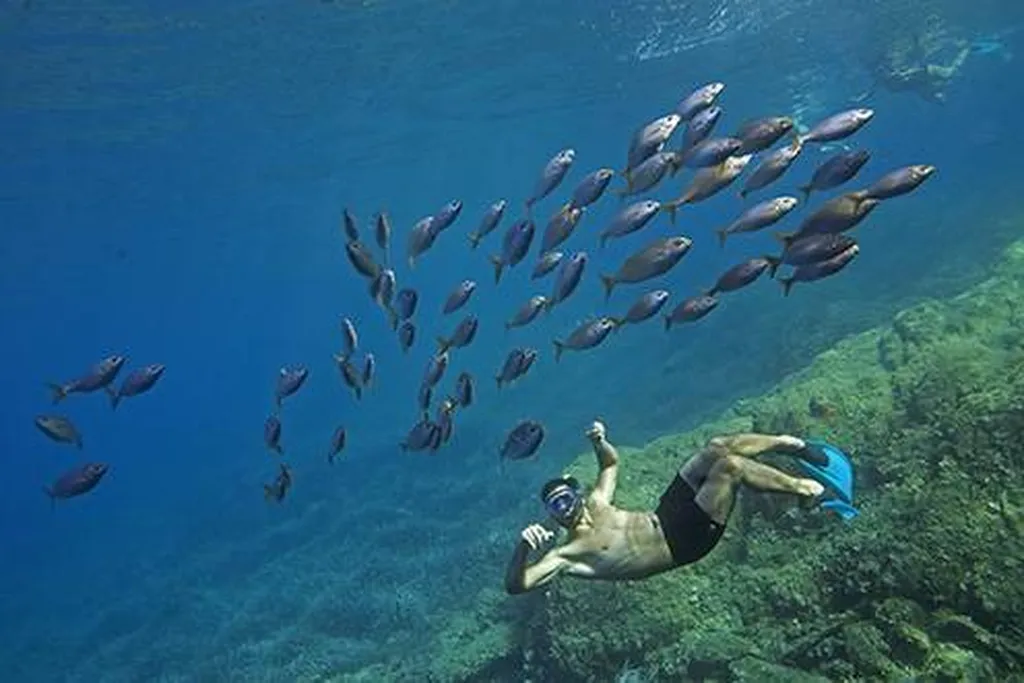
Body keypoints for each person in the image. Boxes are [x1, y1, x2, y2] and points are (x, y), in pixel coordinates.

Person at [505, 421, 856, 594]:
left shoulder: (596, 501)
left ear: (576, 493)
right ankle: (808, 491)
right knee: (730, 468)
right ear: (550, 514)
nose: (564, 509)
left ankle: (790, 444)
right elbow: (518, 585)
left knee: (715, 448)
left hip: (664, 516)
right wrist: (523, 549)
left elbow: (610, 466)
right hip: (682, 543)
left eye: (566, 498)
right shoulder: (567, 554)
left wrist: (600, 442)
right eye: (555, 506)